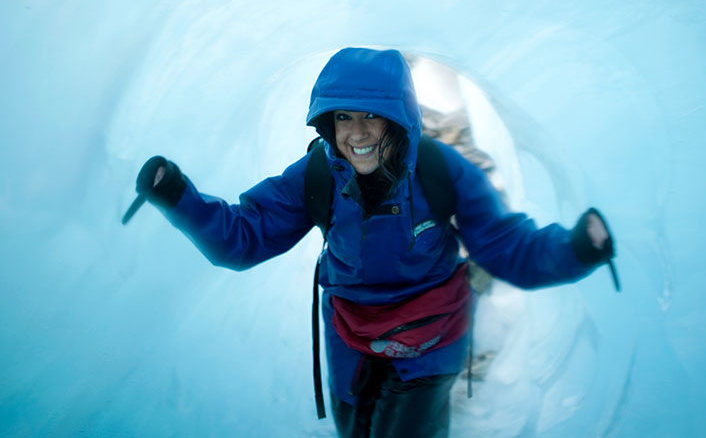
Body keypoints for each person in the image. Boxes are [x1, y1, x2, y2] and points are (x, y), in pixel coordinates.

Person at [132, 47, 614, 438]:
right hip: (350, 337)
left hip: (431, 335)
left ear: (398, 120)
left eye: (372, 116)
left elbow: (508, 247)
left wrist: (577, 249)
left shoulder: (439, 170)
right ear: (327, 124)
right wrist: (178, 196)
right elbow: (244, 239)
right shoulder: (317, 175)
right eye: (343, 117)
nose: (357, 133)